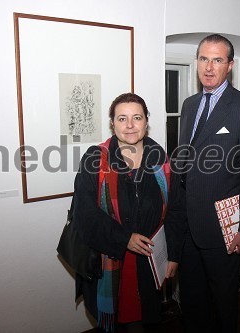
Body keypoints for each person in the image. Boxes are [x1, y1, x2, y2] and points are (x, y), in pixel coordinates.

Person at [72, 93, 186, 333]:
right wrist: (125, 238)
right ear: (112, 123)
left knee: (143, 321)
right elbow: (85, 215)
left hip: (150, 260)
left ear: (146, 122)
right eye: (122, 118)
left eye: (137, 117)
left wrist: (174, 255)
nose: (130, 125)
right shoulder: (95, 158)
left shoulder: (162, 160)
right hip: (110, 260)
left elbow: (176, 209)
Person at [175, 34, 240, 333]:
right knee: (192, 302)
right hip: (188, 227)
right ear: (197, 62)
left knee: (223, 304)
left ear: (230, 65)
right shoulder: (189, 105)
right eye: (203, 59)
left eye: (217, 60)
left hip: (223, 229)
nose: (209, 67)